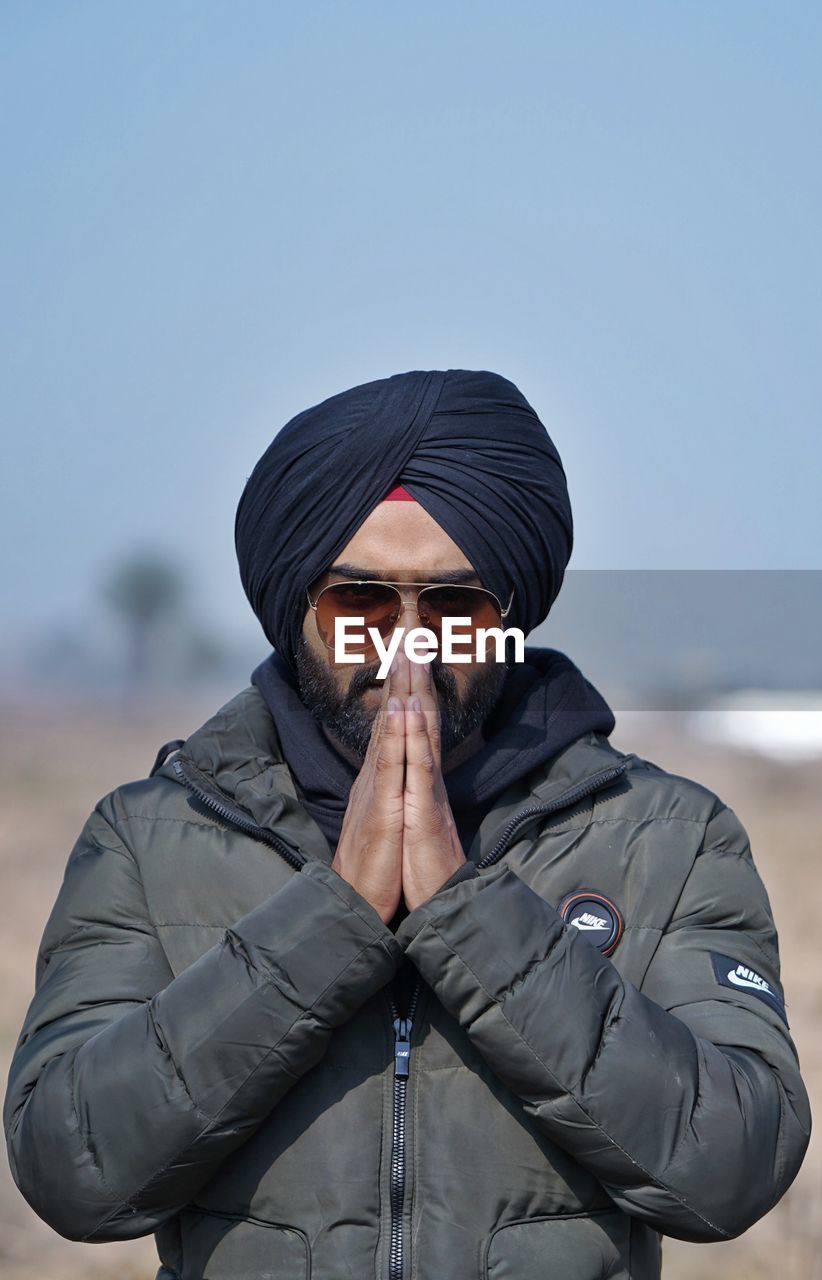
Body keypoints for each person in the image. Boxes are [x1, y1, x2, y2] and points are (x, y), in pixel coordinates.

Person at [3, 369, 811, 1280]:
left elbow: (734, 1167)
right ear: (294, 610)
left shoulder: (666, 836)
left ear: (508, 617)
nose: (408, 647)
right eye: (361, 604)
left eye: (456, 608)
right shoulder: (152, 838)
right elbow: (69, 1168)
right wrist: (335, 917)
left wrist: (470, 915)